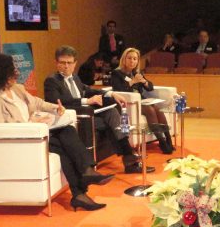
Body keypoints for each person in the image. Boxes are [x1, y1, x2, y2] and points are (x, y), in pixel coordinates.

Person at [0, 54, 111, 212]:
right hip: (22, 142)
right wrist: (31, 124)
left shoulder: (17, 89)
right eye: (12, 71)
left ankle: (81, 188)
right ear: (0, 74)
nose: (17, 74)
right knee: (64, 140)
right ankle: (85, 176)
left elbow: (37, 102)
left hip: (38, 135)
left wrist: (55, 108)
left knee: (66, 132)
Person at [44, 45, 154, 174]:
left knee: (112, 111)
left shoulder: (75, 78)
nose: (66, 66)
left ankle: (129, 157)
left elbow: (88, 90)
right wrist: (86, 101)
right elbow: (57, 102)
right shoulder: (51, 81)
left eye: (69, 63)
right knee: (112, 123)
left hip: (88, 113)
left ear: (75, 63)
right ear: (56, 63)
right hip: (74, 118)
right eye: (62, 63)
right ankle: (129, 158)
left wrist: (111, 94)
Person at [111, 47, 175, 154]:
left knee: (158, 109)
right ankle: (162, 141)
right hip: (130, 103)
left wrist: (144, 81)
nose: (132, 61)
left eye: (135, 59)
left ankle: (168, 139)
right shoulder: (117, 73)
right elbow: (119, 90)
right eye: (130, 58)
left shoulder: (136, 72)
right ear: (124, 59)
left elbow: (150, 87)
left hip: (141, 100)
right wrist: (132, 82)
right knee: (150, 110)